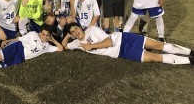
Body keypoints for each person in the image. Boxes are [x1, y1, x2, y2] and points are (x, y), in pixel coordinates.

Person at [62, 23, 194, 65]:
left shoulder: (92, 29)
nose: (76, 32)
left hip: (123, 39)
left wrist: (91, 46)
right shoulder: (77, 43)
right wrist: (68, 34)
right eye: (73, 32)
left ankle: (190, 52)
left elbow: (109, 42)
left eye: (76, 29)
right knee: (154, 58)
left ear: (81, 28)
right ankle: (189, 60)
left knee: (158, 45)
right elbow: (64, 46)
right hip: (121, 52)